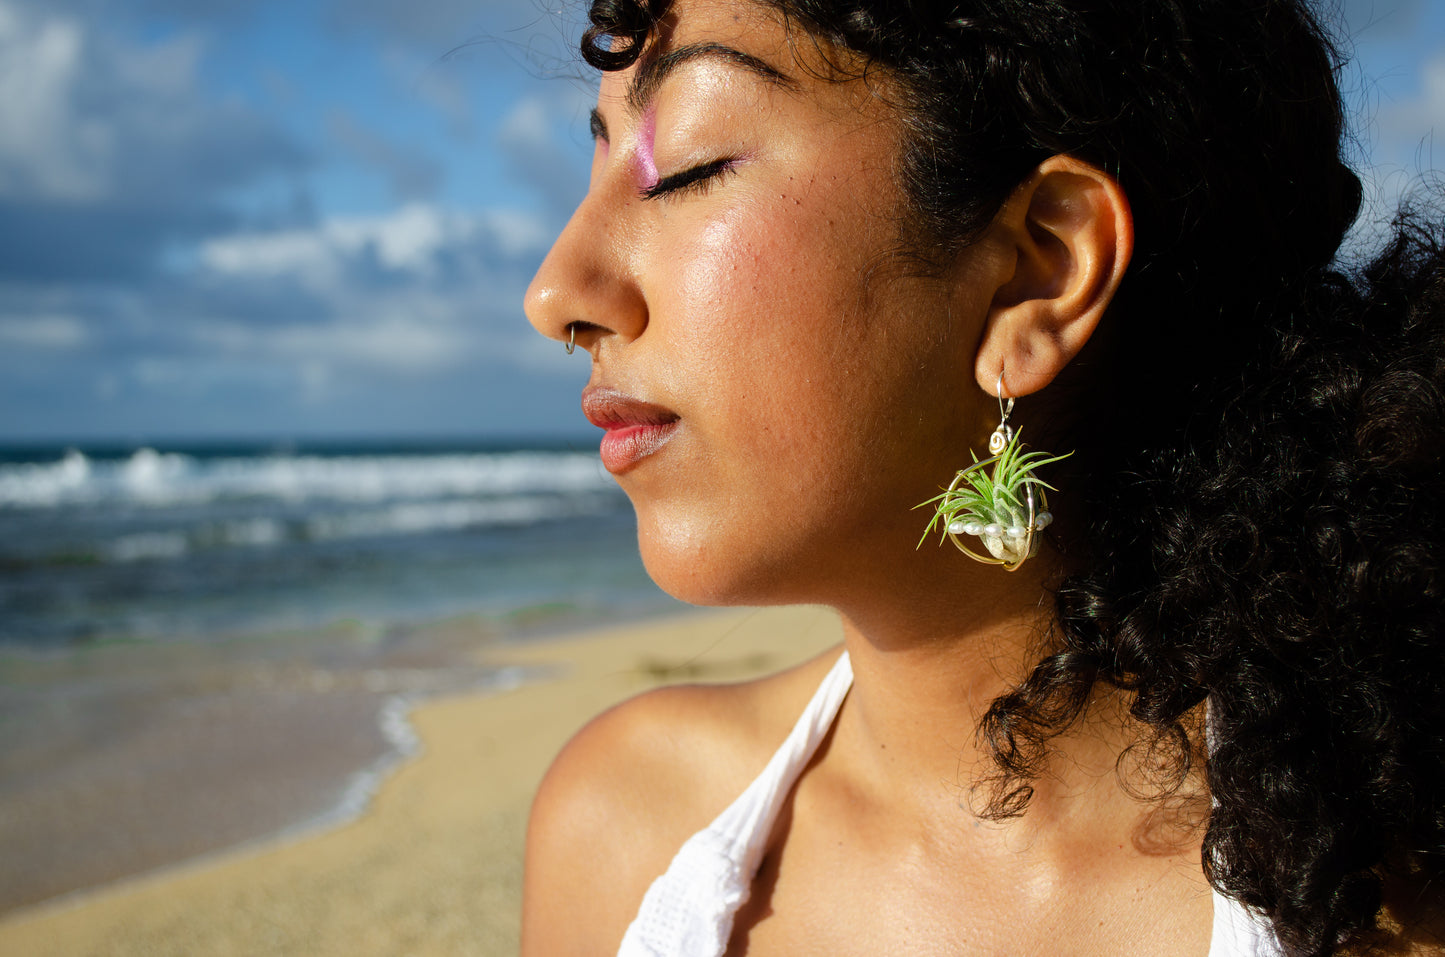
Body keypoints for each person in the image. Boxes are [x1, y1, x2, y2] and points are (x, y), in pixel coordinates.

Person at [520, 0, 1445, 953]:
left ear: (1037, 271)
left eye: (687, 168)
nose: (554, 294)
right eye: (595, 166)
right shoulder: (623, 829)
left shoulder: (1389, 902)